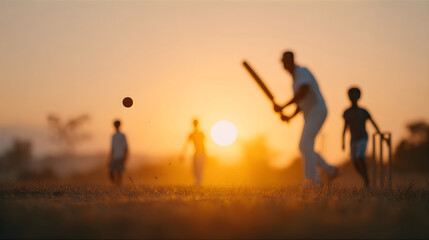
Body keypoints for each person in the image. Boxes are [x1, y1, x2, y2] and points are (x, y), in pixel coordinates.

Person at [274, 51, 338, 187]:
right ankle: (329, 170)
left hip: (318, 110)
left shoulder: (302, 72)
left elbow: (303, 91)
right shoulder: (294, 81)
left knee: (305, 143)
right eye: (282, 62)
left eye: (285, 61)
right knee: (304, 146)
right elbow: (301, 103)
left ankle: (312, 180)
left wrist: (283, 106)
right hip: (309, 114)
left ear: (291, 61)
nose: (283, 65)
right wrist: (289, 116)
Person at [342, 87, 381, 188]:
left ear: (359, 97)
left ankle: (366, 179)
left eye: (355, 95)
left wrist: (381, 135)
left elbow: (373, 123)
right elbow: (345, 127)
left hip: (362, 138)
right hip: (353, 139)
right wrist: (342, 141)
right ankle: (365, 178)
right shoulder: (347, 112)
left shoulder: (363, 111)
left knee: (360, 157)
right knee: (354, 162)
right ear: (348, 97)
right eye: (351, 96)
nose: (353, 98)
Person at [180, 119, 206, 185]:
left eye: (195, 123)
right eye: (194, 123)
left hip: (202, 154)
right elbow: (187, 144)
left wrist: (205, 155)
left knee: (199, 170)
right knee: (194, 170)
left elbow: (204, 144)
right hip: (196, 154)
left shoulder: (201, 133)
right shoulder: (191, 134)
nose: (195, 125)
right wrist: (183, 154)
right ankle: (197, 184)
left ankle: (198, 185)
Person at [109, 120, 128, 185]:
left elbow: (126, 147)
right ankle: (115, 184)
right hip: (115, 156)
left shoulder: (122, 135)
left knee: (119, 172)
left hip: (120, 156)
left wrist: (125, 156)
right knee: (111, 171)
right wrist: (110, 158)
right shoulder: (113, 136)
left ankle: (118, 185)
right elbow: (112, 148)